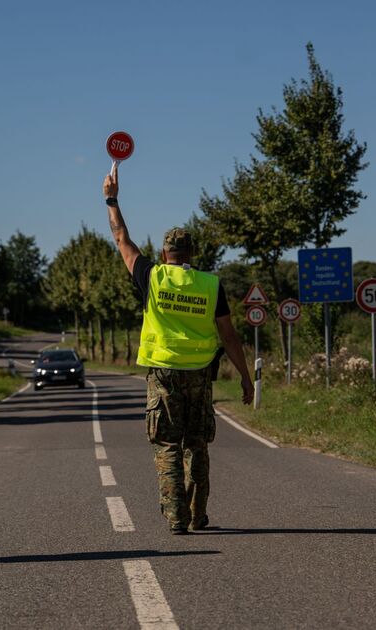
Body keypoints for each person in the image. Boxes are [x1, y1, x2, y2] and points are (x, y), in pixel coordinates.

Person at [103, 170, 254, 534]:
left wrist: (111, 198)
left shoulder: (151, 276)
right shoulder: (210, 285)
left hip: (163, 375)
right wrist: (246, 379)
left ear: (163, 253)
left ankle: (176, 516)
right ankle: (197, 513)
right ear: (192, 254)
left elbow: (121, 238)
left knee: (167, 444)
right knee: (196, 444)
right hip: (200, 375)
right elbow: (229, 335)